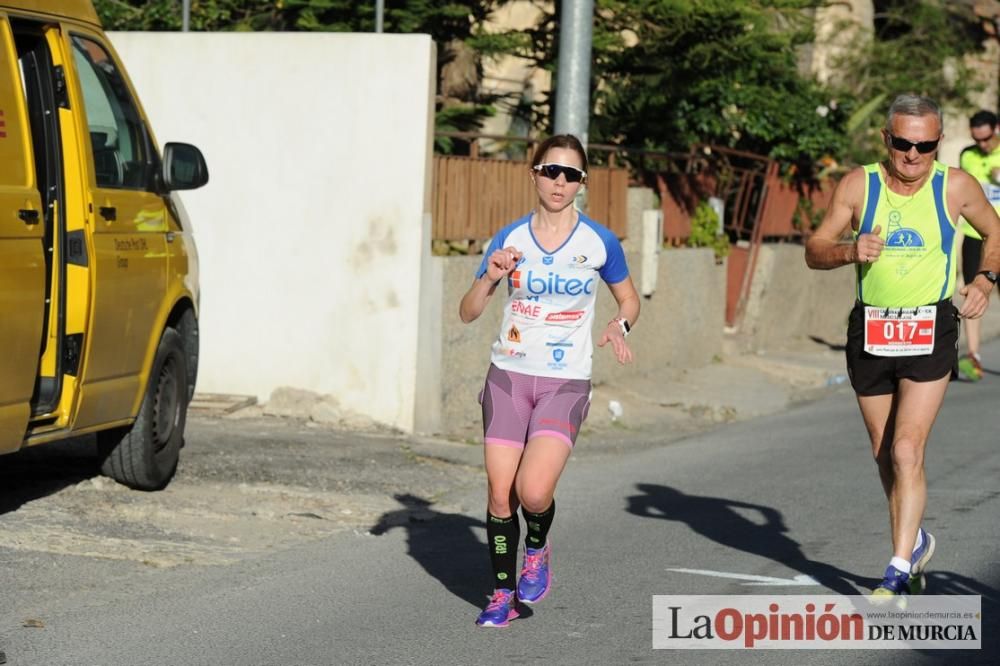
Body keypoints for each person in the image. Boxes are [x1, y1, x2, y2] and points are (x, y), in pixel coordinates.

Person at [805, 94, 1000, 596]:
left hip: (930, 327)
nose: (914, 155)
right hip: (870, 329)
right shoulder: (858, 184)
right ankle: (913, 545)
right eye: (904, 144)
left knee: (907, 447)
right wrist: (850, 250)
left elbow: (995, 232)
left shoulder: (955, 185)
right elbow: (814, 248)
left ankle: (894, 568)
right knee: (884, 450)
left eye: (927, 145)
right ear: (887, 139)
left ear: (938, 142)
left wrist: (984, 280)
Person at [459, 134, 640, 626]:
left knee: (533, 493)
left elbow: (630, 300)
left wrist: (618, 324)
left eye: (571, 175)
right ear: (534, 174)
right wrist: (489, 277)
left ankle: (535, 549)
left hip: (564, 383)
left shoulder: (599, 242)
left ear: (582, 182)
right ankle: (501, 595)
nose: (560, 182)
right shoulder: (510, 238)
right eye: (551, 171)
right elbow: (468, 312)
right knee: (500, 493)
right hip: (508, 376)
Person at [957, 109, 1000, 380]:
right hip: (975, 236)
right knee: (974, 292)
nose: (982, 145)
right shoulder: (967, 155)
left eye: (986, 139)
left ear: (996, 129)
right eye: (977, 139)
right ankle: (973, 357)